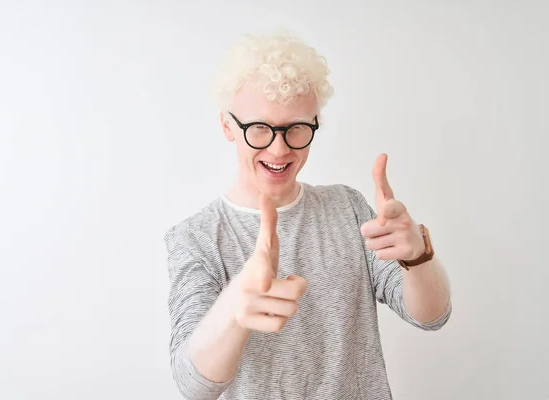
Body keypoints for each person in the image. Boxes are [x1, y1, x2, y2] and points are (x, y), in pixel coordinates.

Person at [164, 30, 452, 400]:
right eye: (259, 129)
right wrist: (235, 305)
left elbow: (430, 317)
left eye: (296, 128)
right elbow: (193, 385)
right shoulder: (195, 237)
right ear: (227, 126)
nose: (280, 148)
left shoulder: (347, 208)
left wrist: (418, 256)